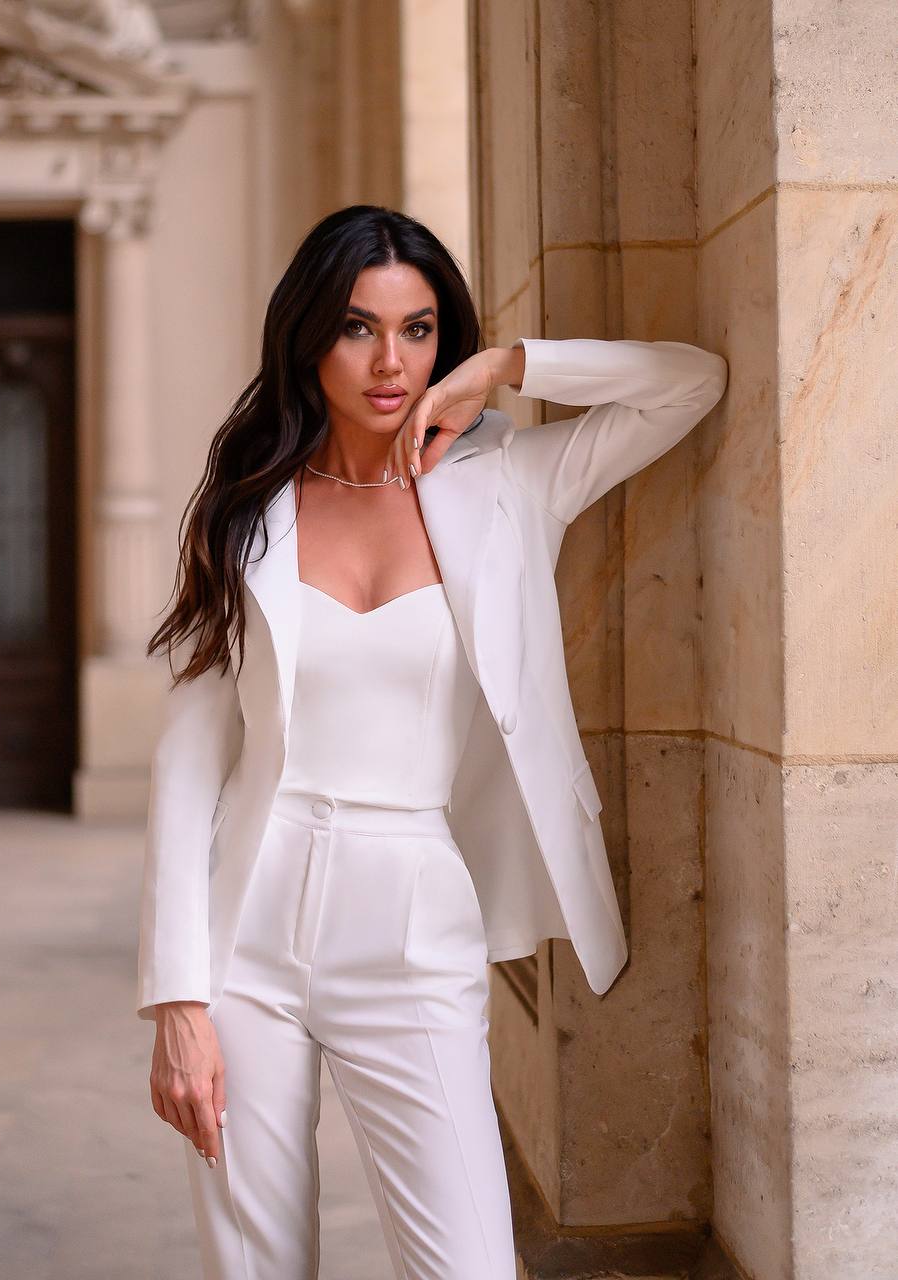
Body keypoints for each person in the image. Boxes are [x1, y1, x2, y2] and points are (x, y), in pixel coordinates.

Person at [137, 204, 729, 1280]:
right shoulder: (246, 509)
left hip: (413, 918)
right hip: (247, 926)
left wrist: (504, 367)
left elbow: (689, 382)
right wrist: (178, 997)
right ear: (308, 336)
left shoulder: (509, 481)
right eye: (357, 327)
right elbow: (188, 762)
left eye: (416, 330)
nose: (389, 362)